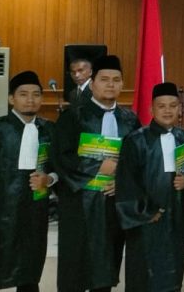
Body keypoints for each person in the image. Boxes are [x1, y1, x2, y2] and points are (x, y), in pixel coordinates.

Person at [52, 54, 139, 292]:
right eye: (104, 79)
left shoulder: (130, 120)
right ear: (92, 84)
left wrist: (122, 181)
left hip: (113, 204)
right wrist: (97, 167)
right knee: (75, 269)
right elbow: (61, 156)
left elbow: (139, 161)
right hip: (79, 203)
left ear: (122, 84)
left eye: (116, 80)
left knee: (106, 268)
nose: (110, 84)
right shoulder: (73, 116)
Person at [0, 71, 57, 292]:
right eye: (23, 94)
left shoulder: (50, 130)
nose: (30, 99)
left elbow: (60, 168)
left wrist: (49, 179)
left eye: (36, 94)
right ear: (11, 99)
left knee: (29, 274)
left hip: (34, 216)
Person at [115, 82, 184, 292]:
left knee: (173, 273)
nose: (168, 111)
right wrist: (147, 211)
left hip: (175, 219)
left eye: (173, 106)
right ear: (151, 109)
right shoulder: (136, 140)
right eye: (162, 106)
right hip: (146, 221)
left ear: (179, 109)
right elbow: (126, 183)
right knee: (143, 276)